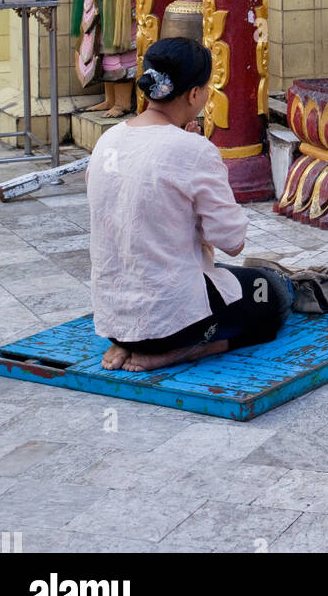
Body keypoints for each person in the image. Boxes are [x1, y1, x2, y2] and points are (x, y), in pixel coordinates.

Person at [87, 37, 292, 373]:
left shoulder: (109, 139)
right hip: (173, 325)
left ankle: (129, 343)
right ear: (195, 94)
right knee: (269, 291)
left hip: (114, 318)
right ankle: (192, 349)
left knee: (219, 278)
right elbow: (232, 241)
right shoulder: (193, 150)